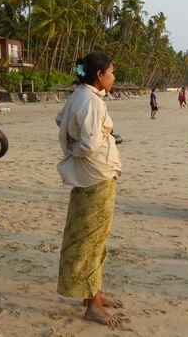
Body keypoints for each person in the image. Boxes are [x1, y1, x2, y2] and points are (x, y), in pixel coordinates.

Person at [55, 52, 123, 327]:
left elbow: (60, 120)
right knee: (92, 240)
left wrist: (73, 142)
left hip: (88, 176)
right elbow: (89, 145)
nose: (114, 77)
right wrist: (74, 147)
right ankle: (92, 305)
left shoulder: (78, 95)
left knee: (88, 237)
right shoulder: (92, 101)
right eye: (112, 72)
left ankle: (92, 294)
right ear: (99, 75)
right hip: (97, 175)